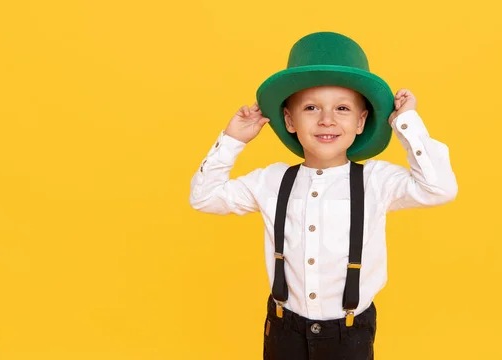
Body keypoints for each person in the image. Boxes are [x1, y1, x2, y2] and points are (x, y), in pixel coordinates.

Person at [189, 32, 458, 359]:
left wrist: (407, 123)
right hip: (283, 330)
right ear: (290, 120)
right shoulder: (272, 181)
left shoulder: (376, 180)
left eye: (342, 108)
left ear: (361, 121)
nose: (326, 119)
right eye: (311, 107)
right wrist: (232, 140)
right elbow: (204, 196)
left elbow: (439, 188)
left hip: (350, 334)